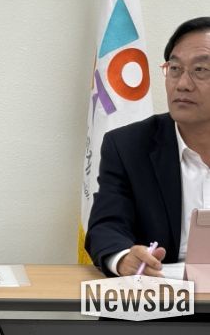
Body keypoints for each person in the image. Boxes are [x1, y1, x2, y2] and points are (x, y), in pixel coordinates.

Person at [86, 17, 210, 277]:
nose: (182, 84)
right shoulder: (129, 146)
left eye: (200, 70)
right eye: (174, 68)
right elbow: (106, 226)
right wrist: (123, 258)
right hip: (163, 292)